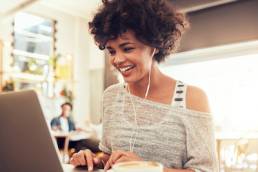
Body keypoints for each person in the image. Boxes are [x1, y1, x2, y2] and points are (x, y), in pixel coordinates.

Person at [70, 0, 218, 171]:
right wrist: (95, 160)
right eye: (112, 51)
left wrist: (146, 168)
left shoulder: (191, 98)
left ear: (154, 45)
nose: (117, 60)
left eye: (127, 48)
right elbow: (111, 157)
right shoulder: (111, 96)